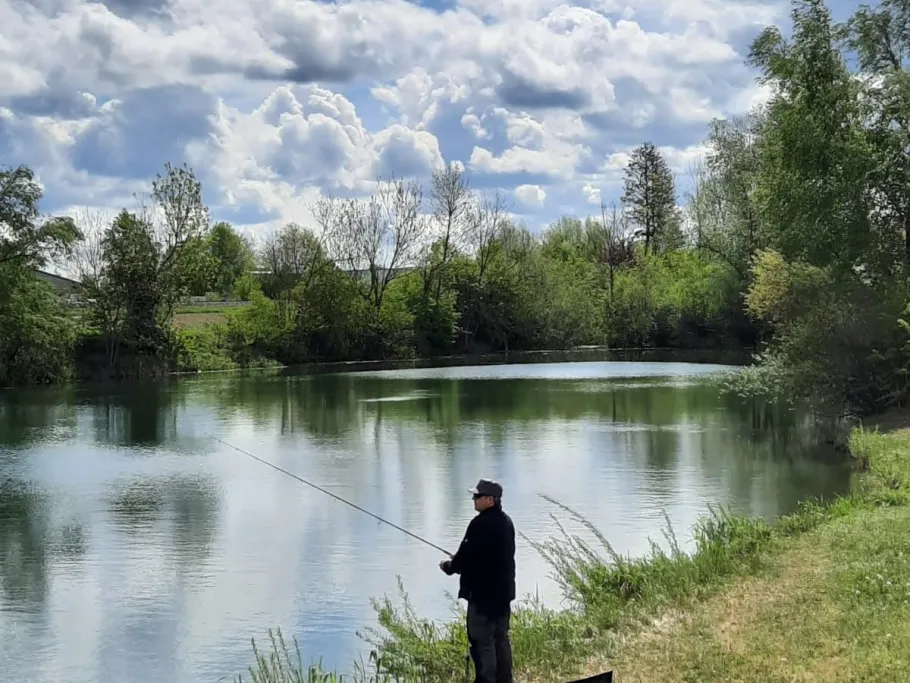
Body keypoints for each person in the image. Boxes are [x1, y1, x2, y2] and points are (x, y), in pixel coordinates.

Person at [439, 478, 516, 683]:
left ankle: (485, 680)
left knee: (482, 642)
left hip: (482, 597)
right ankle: (505, 680)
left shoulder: (479, 524)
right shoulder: (507, 522)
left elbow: (462, 560)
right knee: (501, 639)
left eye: (477, 496)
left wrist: (448, 566)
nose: (473, 499)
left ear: (490, 500)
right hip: (503, 595)